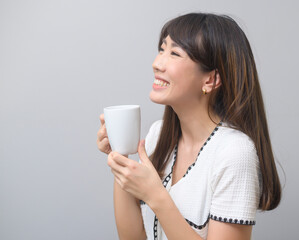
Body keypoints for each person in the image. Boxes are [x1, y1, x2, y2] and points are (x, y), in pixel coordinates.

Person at [97, 12, 281, 240]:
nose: (157, 63)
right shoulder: (157, 135)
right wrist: (120, 155)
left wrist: (156, 195)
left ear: (211, 80)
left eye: (174, 53)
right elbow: (132, 237)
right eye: (162, 49)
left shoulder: (234, 153)